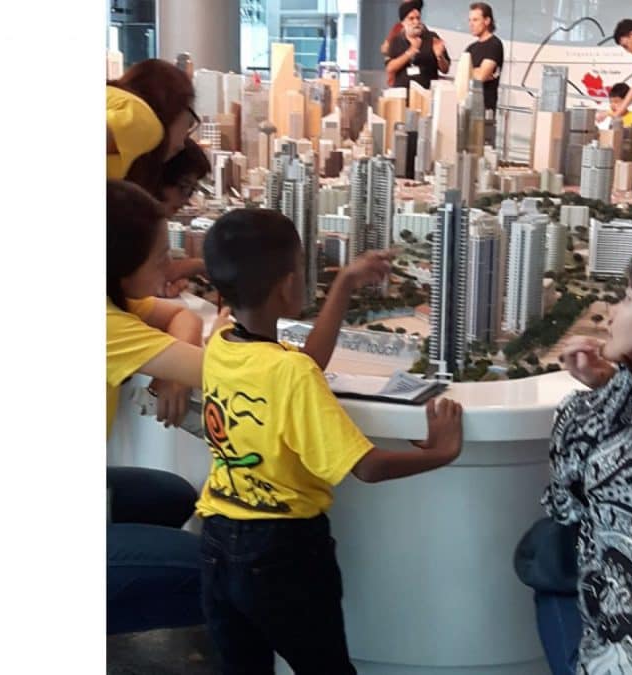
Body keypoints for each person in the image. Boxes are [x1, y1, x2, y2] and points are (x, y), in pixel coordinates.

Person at [196, 208, 465, 673]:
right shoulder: (290, 373)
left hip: (216, 542)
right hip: (284, 555)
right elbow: (366, 465)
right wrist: (441, 453)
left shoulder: (222, 344)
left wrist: (344, 284)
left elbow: (302, 366)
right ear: (287, 285)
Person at [538, 244, 632, 674]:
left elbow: (564, 503)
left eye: (628, 297)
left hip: (622, 655)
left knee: (545, 572)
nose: (610, 312)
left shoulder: (611, 438)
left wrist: (607, 391)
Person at [106, 179, 215, 635]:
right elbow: (231, 372)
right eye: (160, 259)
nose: (171, 267)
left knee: (169, 496)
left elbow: (180, 315)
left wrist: (169, 366)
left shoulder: (116, 300)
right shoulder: (104, 324)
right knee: (223, 575)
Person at [107, 59, 200, 193]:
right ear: (175, 105)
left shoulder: (118, 100)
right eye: (190, 122)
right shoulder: (144, 121)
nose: (184, 141)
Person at [156, 137, 212, 298]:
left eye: (191, 190)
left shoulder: (155, 221)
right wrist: (200, 266)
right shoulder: (131, 219)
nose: (186, 200)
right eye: (184, 187)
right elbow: (153, 274)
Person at [385, 0, 451, 91]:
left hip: (427, 94)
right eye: (411, 19)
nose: (416, 22)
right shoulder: (396, 40)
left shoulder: (432, 38)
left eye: (418, 18)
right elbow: (390, 68)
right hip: (403, 95)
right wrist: (410, 52)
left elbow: (445, 69)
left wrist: (440, 57)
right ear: (403, 23)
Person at [464, 2, 504, 145]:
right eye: (470, 20)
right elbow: (462, 76)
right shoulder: (470, 48)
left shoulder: (494, 45)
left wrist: (473, 73)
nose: (471, 24)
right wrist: (475, 72)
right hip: (466, 107)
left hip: (484, 109)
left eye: (475, 20)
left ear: (487, 21)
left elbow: (480, 77)